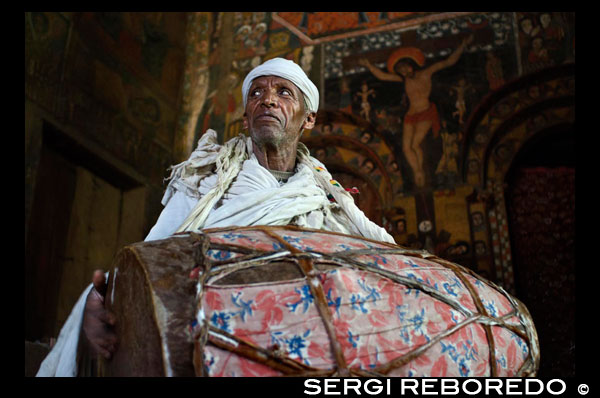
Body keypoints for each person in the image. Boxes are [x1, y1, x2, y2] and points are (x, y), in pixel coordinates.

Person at [36, 57, 395, 377]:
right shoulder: (205, 181)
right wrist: (98, 303)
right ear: (245, 116)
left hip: (300, 351)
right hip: (206, 346)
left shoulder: (326, 202)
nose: (267, 100)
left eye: (284, 93)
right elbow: (152, 256)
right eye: (256, 94)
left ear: (309, 119)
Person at [359, 35, 473, 187]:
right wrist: (369, 65)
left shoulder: (426, 73)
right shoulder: (404, 80)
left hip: (426, 112)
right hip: (411, 115)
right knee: (407, 148)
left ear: (412, 64)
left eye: (405, 67)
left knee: (415, 145)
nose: (404, 72)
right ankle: (418, 172)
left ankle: (421, 173)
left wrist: (462, 45)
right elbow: (383, 76)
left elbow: (448, 62)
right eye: (401, 70)